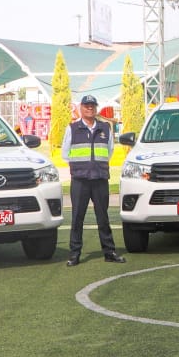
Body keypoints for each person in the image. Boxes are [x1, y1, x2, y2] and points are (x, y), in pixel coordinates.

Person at [62, 94, 124, 266]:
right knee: (77, 219)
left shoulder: (105, 128)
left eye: (92, 106)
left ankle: (109, 252)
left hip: (100, 178)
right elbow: (65, 153)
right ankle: (74, 254)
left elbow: (109, 151)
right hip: (80, 180)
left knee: (103, 218)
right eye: (86, 105)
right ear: (80, 108)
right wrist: (81, 167)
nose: (90, 108)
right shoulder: (72, 128)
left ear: (96, 108)